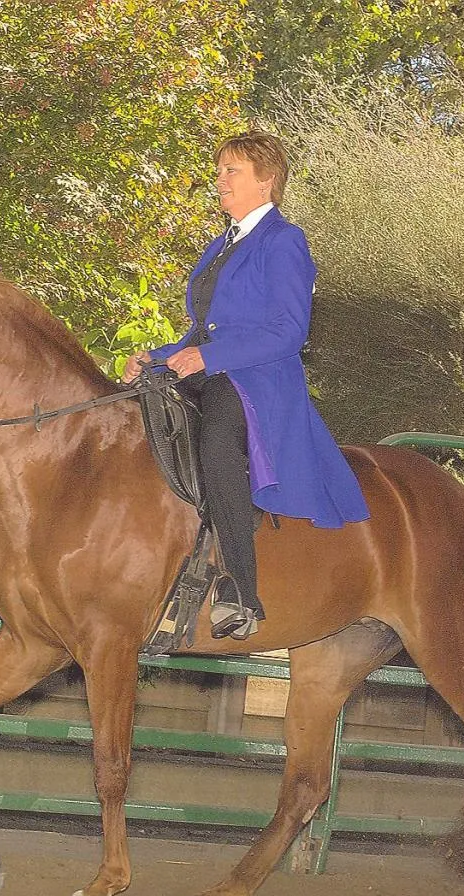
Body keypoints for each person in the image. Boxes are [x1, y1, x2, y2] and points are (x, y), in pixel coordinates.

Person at [123, 130, 368, 640]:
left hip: (258, 380)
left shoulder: (284, 241)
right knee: (133, 415)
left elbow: (289, 331)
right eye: (219, 171)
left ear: (266, 180)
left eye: (230, 170)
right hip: (209, 368)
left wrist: (208, 357)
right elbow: (201, 331)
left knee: (217, 439)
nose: (219, 180)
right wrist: (155, 358)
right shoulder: (222, 244)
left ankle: (240, 589)